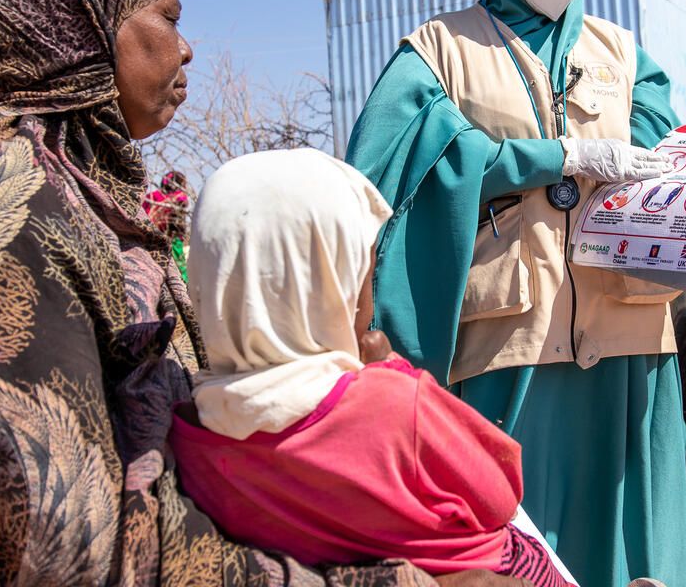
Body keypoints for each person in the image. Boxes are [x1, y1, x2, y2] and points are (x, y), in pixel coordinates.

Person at [0, 0, 437, 587]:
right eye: (169, 16)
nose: (186, 47)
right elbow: (69, 554)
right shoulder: (6, 226)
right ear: (78, 23)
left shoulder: (50, 189)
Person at [346, 0, 686, 587]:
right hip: (508, 335)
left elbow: (668, 171)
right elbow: (398, 170)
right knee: (515, 538)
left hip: (625, 335)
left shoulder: (622, 56)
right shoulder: (438, 51)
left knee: (625, 544)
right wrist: (553, 157)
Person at [169, 149, 573, 587]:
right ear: (330, 284)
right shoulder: (392, 404)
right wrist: (395, 372)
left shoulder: (193, 434)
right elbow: (501, 491)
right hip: (503, 571)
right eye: (362, 271)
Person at [145, 169, 191, 280]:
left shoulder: (152, 196)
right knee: (180, 268)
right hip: (170, 237)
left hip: (156, 237)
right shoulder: (179, 196)